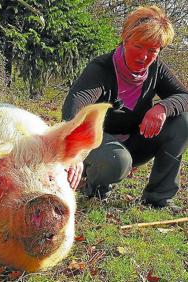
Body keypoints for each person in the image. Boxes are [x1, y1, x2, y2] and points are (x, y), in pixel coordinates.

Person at [62, 5, 188, 208]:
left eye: (152, 51)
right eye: (138, 46)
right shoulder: (101, 69)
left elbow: (183, 96)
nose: (144, 56)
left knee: (182, 121)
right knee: (116, 159)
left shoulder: (156, 69)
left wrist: (161, 108)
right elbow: (73, 109)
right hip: (99, 148)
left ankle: (158, 199)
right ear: (125, 38)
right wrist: (75, 151)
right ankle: (93, 186)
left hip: (134, 144)